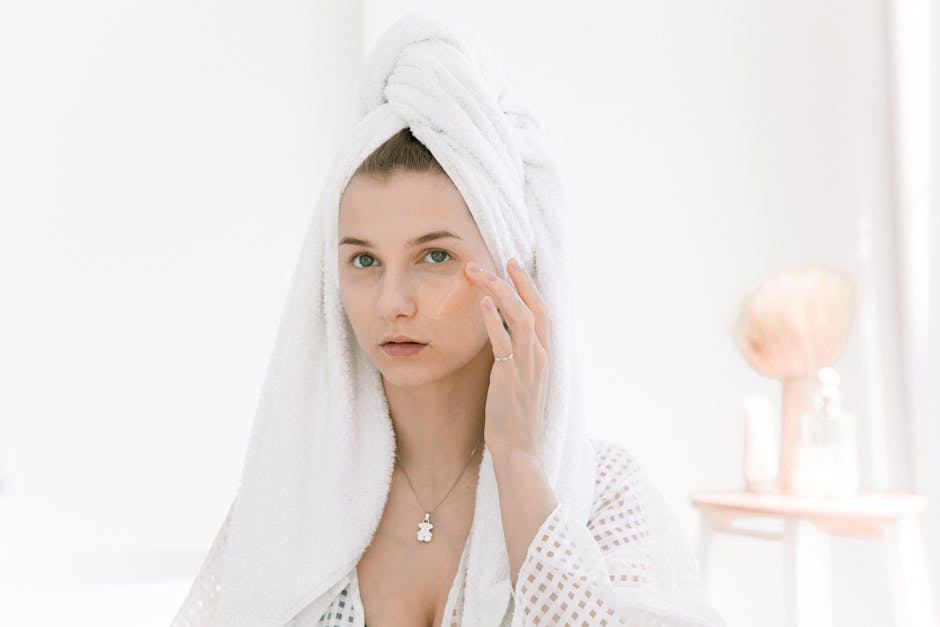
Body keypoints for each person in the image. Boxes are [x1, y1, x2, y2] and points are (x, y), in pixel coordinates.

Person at [171, 12, 725, 627]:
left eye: (435, 256)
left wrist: (518, 467)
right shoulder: (293, 503)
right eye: (363, 260)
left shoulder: (607, 498)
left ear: (516, 272)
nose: (391, 301)